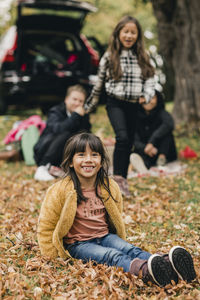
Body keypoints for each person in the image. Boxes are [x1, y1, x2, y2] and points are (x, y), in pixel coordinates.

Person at [37, 132, 196, 287]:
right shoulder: (60, 190)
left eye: (94, 155)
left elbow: (115, 214)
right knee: (112, 255)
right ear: (71, 161)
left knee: (130, 249)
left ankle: (169, 265)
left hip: (105, 236)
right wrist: (51, 255)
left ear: (101, 160)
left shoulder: (109, 186)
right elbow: (46, 225)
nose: (88, 160)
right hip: (79, 244)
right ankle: (145, 271)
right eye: (81, 155)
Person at [84, 15, 156, 197]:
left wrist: (146, 96)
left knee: (129, 142)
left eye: (133, 32)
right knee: (122, 138)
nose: (129, 36)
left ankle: (122, 181)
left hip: (134, 105)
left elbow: (150, 80)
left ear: (138, 36)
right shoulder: (110, 56)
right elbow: (99, 83)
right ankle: (116, 181)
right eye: (126, 32)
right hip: (115, 103)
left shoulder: (144, 57)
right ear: (118, 34)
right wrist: (89, 105)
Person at [34, 84, 91, 181]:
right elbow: (59, 130)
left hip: (63, 154)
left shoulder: (83, 115)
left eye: (81, 101)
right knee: (66, 133)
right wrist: (75, 116)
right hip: (44, 151)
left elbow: (86, 134)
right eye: (74, 99)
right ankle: (42, 168)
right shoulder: (55, 111)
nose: (77, 103)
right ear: (66, 99)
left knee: (81, 136)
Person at [130, 90, 177, 173]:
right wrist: (145, 148)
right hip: (145, 150)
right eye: (144, 97)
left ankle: (162, 159)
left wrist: (152, 141)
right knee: (133, 139)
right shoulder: (135, 115)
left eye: (152, 98)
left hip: (161, 149)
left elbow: (169, 124)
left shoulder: (161, 113)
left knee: (167, 133)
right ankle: (142, 164)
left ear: (157, 100)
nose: (148, 101)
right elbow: (133, 137)